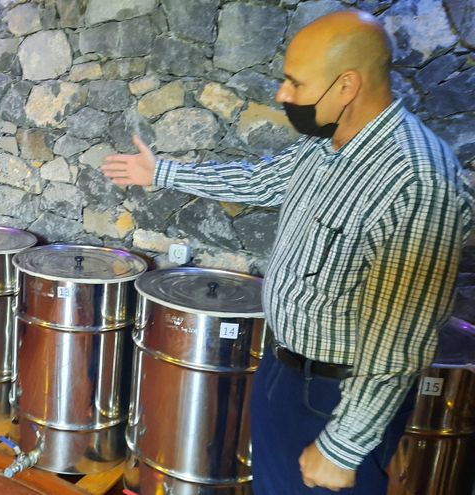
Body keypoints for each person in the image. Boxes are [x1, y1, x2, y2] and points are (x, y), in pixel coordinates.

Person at [102, 10, 474, 494]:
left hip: (336, 398)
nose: (282, 94)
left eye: (295, 82)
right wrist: (162, 174)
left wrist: (343, 446)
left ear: (347, 85)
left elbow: (401, 336)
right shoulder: (326, 141)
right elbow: (262, 180)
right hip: (282, 367)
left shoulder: (417, 180)